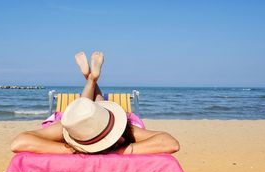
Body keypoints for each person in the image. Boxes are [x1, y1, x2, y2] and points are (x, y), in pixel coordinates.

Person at [11, 51, 180, 155]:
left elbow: (171, 143)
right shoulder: (69, 127)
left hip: (101, 118)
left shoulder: (124, 130)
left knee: (90, 110)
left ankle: (90, 79)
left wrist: (69, 150)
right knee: (87, 111)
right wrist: (71, 148)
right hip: (91, 120)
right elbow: (168, 142)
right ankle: (90, 79)